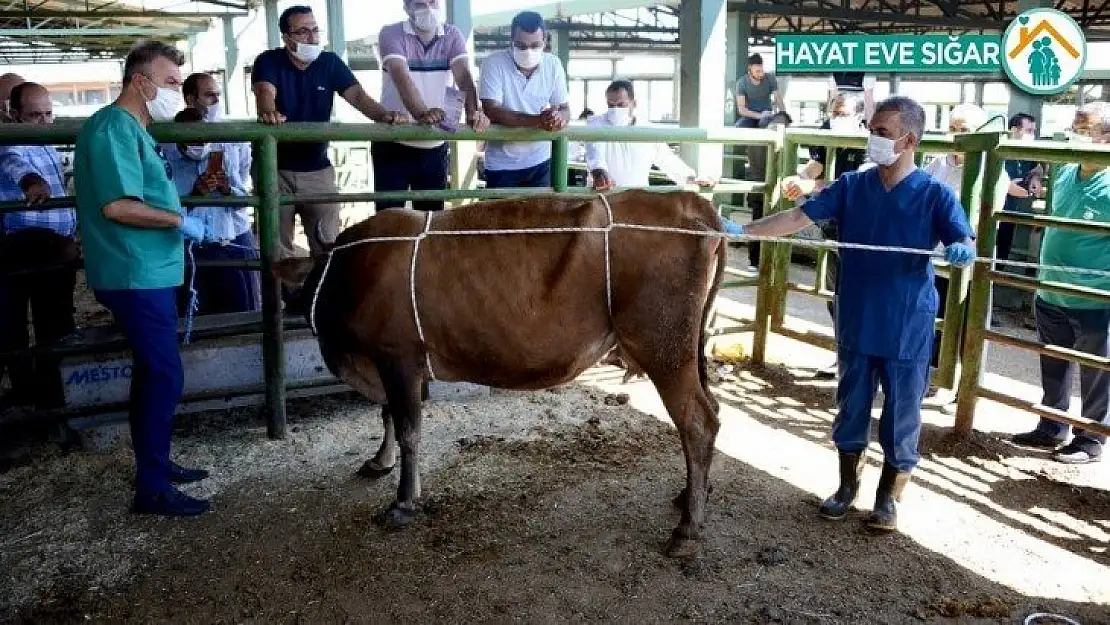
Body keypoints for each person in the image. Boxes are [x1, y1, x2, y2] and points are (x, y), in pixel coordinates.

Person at [728, 96, 976, 531]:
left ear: (909, 139)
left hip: (906, 319)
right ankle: (846, 487)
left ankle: (888, 499)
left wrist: (962, 251)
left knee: (903, 409)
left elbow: (965, 241)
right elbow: (798, 217)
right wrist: (744, 230)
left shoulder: (936, 194)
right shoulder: (852, 185)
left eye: (882, 132)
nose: (872, 139)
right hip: (857, 314)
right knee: (852, 401)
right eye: (872, 130)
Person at [74, 40, 212, 516]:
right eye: (172, 82)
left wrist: (177, 214)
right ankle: (151, 488)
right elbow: (118, 206)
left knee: (154, 373)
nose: (180, 91)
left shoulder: (134, 128)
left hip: (147, 267)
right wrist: (179, 221)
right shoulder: (114, 127)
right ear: (141, 81)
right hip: (134, 269)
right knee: (163, 374)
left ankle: (156, 466)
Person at [252, 5, 407, 259]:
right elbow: (264, 91)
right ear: (286, 37)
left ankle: (321, 297)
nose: (312, 37)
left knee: (328, 245)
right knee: (277, 249)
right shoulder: (268, 60)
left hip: (317, 169)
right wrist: (268, 111)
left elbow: (356, 95)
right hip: (273, 168)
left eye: (315, 30)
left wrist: (383, 115)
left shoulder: (330, 62)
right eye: (302, 32)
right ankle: (281, 299)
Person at [1011, 102, 1110, 464]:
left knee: (1096, 371)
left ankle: (1090, 439)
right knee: (1053, 362)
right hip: (1050, 289)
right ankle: (1052, 425)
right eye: (1076, 127)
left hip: (1093, 298)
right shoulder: (1066, 169)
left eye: (1085, 130)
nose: (1076, 135)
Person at [780, 92, 871, 379]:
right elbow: (815, 167)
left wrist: (812, 186)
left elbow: (856, 183)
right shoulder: (827, 138)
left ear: (858, 117)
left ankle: (864, 360)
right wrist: (797, 179)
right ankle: (843, 354)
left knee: (863, 296)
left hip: (865, 232)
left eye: (843, 114)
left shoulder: (870, 145)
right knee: (837, 295)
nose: (836, 119)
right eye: (833, 113)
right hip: (834, 228)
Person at [0, 82, 78, 409]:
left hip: (56, 245)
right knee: (14, 322)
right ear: (13, 114)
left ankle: (54, 388)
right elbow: (13, 162)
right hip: (22, 244)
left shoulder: (45, 140)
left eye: (48, 114)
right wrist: (31, 182)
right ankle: (28, 391)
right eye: (34, 115)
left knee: (56, 320)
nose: (44, 122)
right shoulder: (8, 138)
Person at [374, 0, 489, 212]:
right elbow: (401, 76)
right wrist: (422, 113)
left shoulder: (452, 35)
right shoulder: (391, 33)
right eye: (420, 3)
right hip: (393, 143)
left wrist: (474, 113)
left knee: (430, 220)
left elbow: (463, 75)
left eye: (433, 2)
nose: (428, 8)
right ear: (406, 7)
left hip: (434, 146)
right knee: (388, 221)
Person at [922, 104, 1011, 370]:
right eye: (953, 128)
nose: (958, 136)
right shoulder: (936, 164)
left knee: (966, 325)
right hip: (934, 256)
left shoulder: (992, 169)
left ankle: (963, 384)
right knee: (932, 319)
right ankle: (933, 375)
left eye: (965, 130)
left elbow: (985, 215)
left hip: (968, 258)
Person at [164, 107, 259, 315]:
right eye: (192, 139)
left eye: (203, 137)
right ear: (178, 139)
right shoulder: (166, 161)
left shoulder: (224, 152)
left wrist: (227, 190)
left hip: (226, 242)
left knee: (239, 309)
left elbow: (243, 201)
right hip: (187, 249)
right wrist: (194, 195)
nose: (199, 143)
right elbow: (160, 212)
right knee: (193, 310)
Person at [478, 11, 570, 188]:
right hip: (502, 165)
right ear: (511, 40)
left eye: (535, 45)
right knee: (503, 216)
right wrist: (539, 121)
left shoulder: (553, 64)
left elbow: (565, 109)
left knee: (543, 215)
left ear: (545, 41)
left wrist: (559, 118)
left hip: (541, 160)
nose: (528, 51)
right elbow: (492, 111)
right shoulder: (494, 63)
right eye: (521, 46)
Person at [585, 80, 715, 190]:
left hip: (638, 199)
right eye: (610, 105)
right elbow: (595, 152)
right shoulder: (596, 125)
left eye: (621, 105)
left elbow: (666, 158)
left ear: (634, 104)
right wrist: (599, 172)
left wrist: (691, 178)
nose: (615, 110)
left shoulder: (646, 130)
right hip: (604, 197)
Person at [183, 72, 252, 190]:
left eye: (218, 95)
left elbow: (242, 176)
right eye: (209, 95)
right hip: (189, 207)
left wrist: (228, 189)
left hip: (228, 207)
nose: (217, 101)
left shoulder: (234, 133)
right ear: (190, 99)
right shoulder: (169, 138)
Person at [996, 113, 1045, 267]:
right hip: (993, 208)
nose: (1032, 135)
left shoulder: (1028, 151)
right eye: (1029, 131)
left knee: (1003, 247)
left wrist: (1036, 177)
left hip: (1011, 210)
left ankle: (995, 278)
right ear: (1014, 130)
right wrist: (1007, 186)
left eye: (1034, 131)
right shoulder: (998, 148)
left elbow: (1039, 166)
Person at [734, 54, 782, 129]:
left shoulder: (770, 78)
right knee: (740, 125)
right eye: (757, 71)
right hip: (750, 115)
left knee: (764, 123)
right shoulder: (741, 83)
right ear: (750, 70)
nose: (761, 74)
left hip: (766, 115)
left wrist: (783, 115)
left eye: (762, 70)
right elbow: (742, 110)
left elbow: (779, 99)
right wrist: (759, 115)